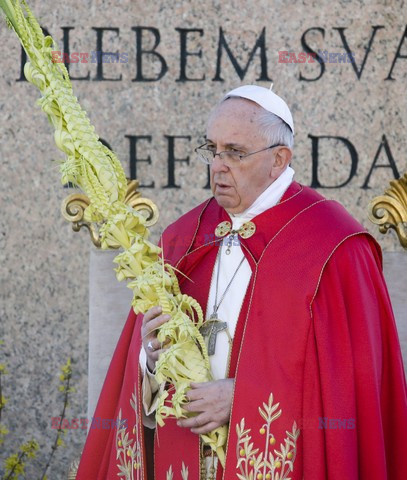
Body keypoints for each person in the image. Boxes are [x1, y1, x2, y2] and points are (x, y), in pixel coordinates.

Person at [77, 85, 407, 480]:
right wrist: (150, 359)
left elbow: (349, 388)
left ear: (278, 159)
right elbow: (139, 381)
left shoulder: (334, 248)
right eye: (212, 149)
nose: (218, 165)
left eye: (235, 152)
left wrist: (243, 398)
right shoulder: (184, 239)